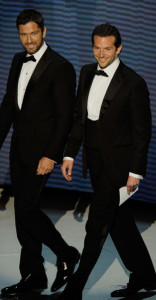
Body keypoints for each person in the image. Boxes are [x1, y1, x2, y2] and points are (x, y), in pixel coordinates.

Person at [60, 23, 156, 299]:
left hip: (119, 169)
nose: (101, 54)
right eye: (97, 48)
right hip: (95, 164)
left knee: (97, 226)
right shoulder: (86, 72)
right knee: (119, 223)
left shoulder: (134, 83)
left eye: (107, 49)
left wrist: (135, 173)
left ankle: (74, 289)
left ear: (119, 48)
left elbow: (142, 133)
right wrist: (70, 153)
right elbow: (81, 119)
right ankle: (145, 277)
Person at [0, 9, 80, 297]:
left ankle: (67, 254)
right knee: (22, 218)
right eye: (23, 34)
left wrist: (51, 155)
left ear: (44, 32)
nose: (28, 40)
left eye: (33, 33)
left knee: (26, 210)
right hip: (18, 150)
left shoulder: (61, 67)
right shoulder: (17, 59)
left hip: (41, 155)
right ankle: (33, 276)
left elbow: (64, 118)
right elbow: (9, 106)